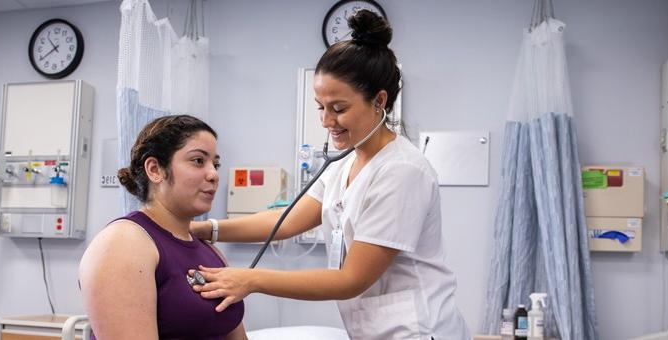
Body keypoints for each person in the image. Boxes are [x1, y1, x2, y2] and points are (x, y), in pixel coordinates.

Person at [189, 10, 470, 340]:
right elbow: (286, 221)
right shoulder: (343, 163)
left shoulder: (402, 172)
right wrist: (206, 229)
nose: (325, 120)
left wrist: (251, 280)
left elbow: (352, 279)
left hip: (420, 331)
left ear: (379, 101)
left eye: (338, 108)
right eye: (320, 106)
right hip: (376, 330)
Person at [79, 115, 246, 340]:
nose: (214, 174)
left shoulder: (209, 251)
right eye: (198, 161)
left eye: (215, 164)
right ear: (155, 169)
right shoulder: (123, 244)